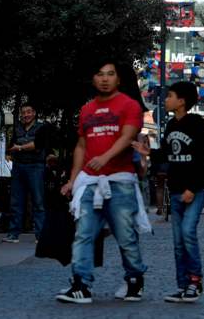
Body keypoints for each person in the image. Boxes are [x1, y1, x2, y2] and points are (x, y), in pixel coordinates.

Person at [56, 60, 149, 304]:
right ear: (93, 79)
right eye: (99, 74)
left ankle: (134, 280)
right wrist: (72, 180)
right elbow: (81, 145)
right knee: (84, 233)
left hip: (120, 181)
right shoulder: (86, 110)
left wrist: (105, 157)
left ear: (118, 79)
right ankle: (80, 285)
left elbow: (128, 136)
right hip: (90, 181)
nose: (105, 79)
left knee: (126, 236)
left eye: (110, 74)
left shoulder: (129, 106)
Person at [160, 81, 204, 303]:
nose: (166, 100)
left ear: (181, 101)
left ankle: (195, 281)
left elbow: (202, 160)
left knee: (188, 232)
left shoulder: (199, 126)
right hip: (176, 189)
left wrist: (192, 187)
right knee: (178, 240)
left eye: (170, 96)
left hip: (195, 189)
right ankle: (183, 286)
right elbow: (165, 153)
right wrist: (148, 153)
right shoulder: (171, 125)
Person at [4, 102, 46, 243]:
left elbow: (38, 145)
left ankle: (40, 235)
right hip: (18, 166)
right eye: (24, 112)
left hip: (35, 167)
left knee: (38, 202)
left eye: (29, 112)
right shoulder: (17, 129)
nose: (26, 115)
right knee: (16, 201)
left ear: (34, 113)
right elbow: (11, 147)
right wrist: (11, 151)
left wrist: (20, 147)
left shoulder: (41, 128)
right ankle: (13, 234)